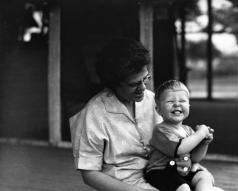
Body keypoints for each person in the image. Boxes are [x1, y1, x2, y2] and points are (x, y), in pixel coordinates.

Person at [69, 38, 192, 191]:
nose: (142, 88)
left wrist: (183, 160)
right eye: (134, 84)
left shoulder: (154, 101)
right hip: (123, 185)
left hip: (161, 177)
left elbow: (172, 141)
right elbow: (89, 174)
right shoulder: (93, 115)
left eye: (145, 79)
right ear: (114, 83)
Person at [145, 80, 220, 191]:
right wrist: (201, 133)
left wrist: (204, 143)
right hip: (160, 172)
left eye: (182, 100)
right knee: (184, 188)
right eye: (170, 101)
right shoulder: (160, 130)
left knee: (205, 176)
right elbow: (180, 149)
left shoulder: (188, 130)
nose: (177, 104)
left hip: (183, 170)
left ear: (189, 105)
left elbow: (195, 158)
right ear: (158, 109)